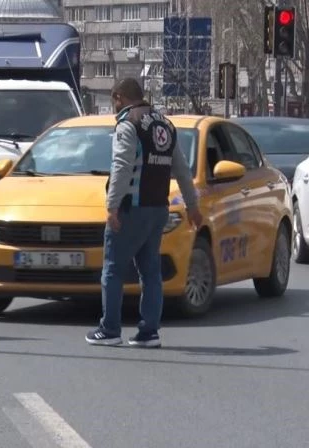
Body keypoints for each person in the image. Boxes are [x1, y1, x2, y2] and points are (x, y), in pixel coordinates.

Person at [86, 78, 202, 348]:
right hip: (158, 209)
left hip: (131, 208)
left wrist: (112, 206)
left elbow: (122, 167)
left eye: (115, 102)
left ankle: (110, 329)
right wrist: (192, 207)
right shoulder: (165, 124)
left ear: (118, 97)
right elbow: (183, 171)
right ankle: (149, 331)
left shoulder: (129, 125)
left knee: (113, 268)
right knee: (150, 271)